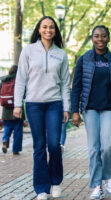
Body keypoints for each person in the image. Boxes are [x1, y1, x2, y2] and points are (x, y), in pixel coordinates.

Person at [13, 16, 70, 200]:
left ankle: (55, 182)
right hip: (33, 104)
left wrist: (67, 107)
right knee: (39, 146)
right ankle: (41, 189)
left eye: (51, 27)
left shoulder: (61, 54)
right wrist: (17, 104)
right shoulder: (28, 51)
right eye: (44, 27)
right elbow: (21, 78)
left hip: (54, 103)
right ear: (39, 29)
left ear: (55, 30)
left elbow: (64, 84)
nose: (48, 30)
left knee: (54, 145)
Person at [71, 25, 111, 200]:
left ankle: (108, 176)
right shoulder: (84, 59)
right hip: (90, 109)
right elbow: (76, 87)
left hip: (109, 109)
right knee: (93, 149)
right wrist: (75, 111)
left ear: (108, 38)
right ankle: (97, 185)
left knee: (108, 146)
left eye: (103, 36)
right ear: (92, 39)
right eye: (96, 36)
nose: (100, 39)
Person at [1, 65, 24, 155]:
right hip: (17, 108)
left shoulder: (3, 80)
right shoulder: (19, 80)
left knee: (7, 127)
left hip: (6, 110)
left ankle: (5, 140)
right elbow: (24, 93)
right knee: (18, 130)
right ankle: (16, 149)